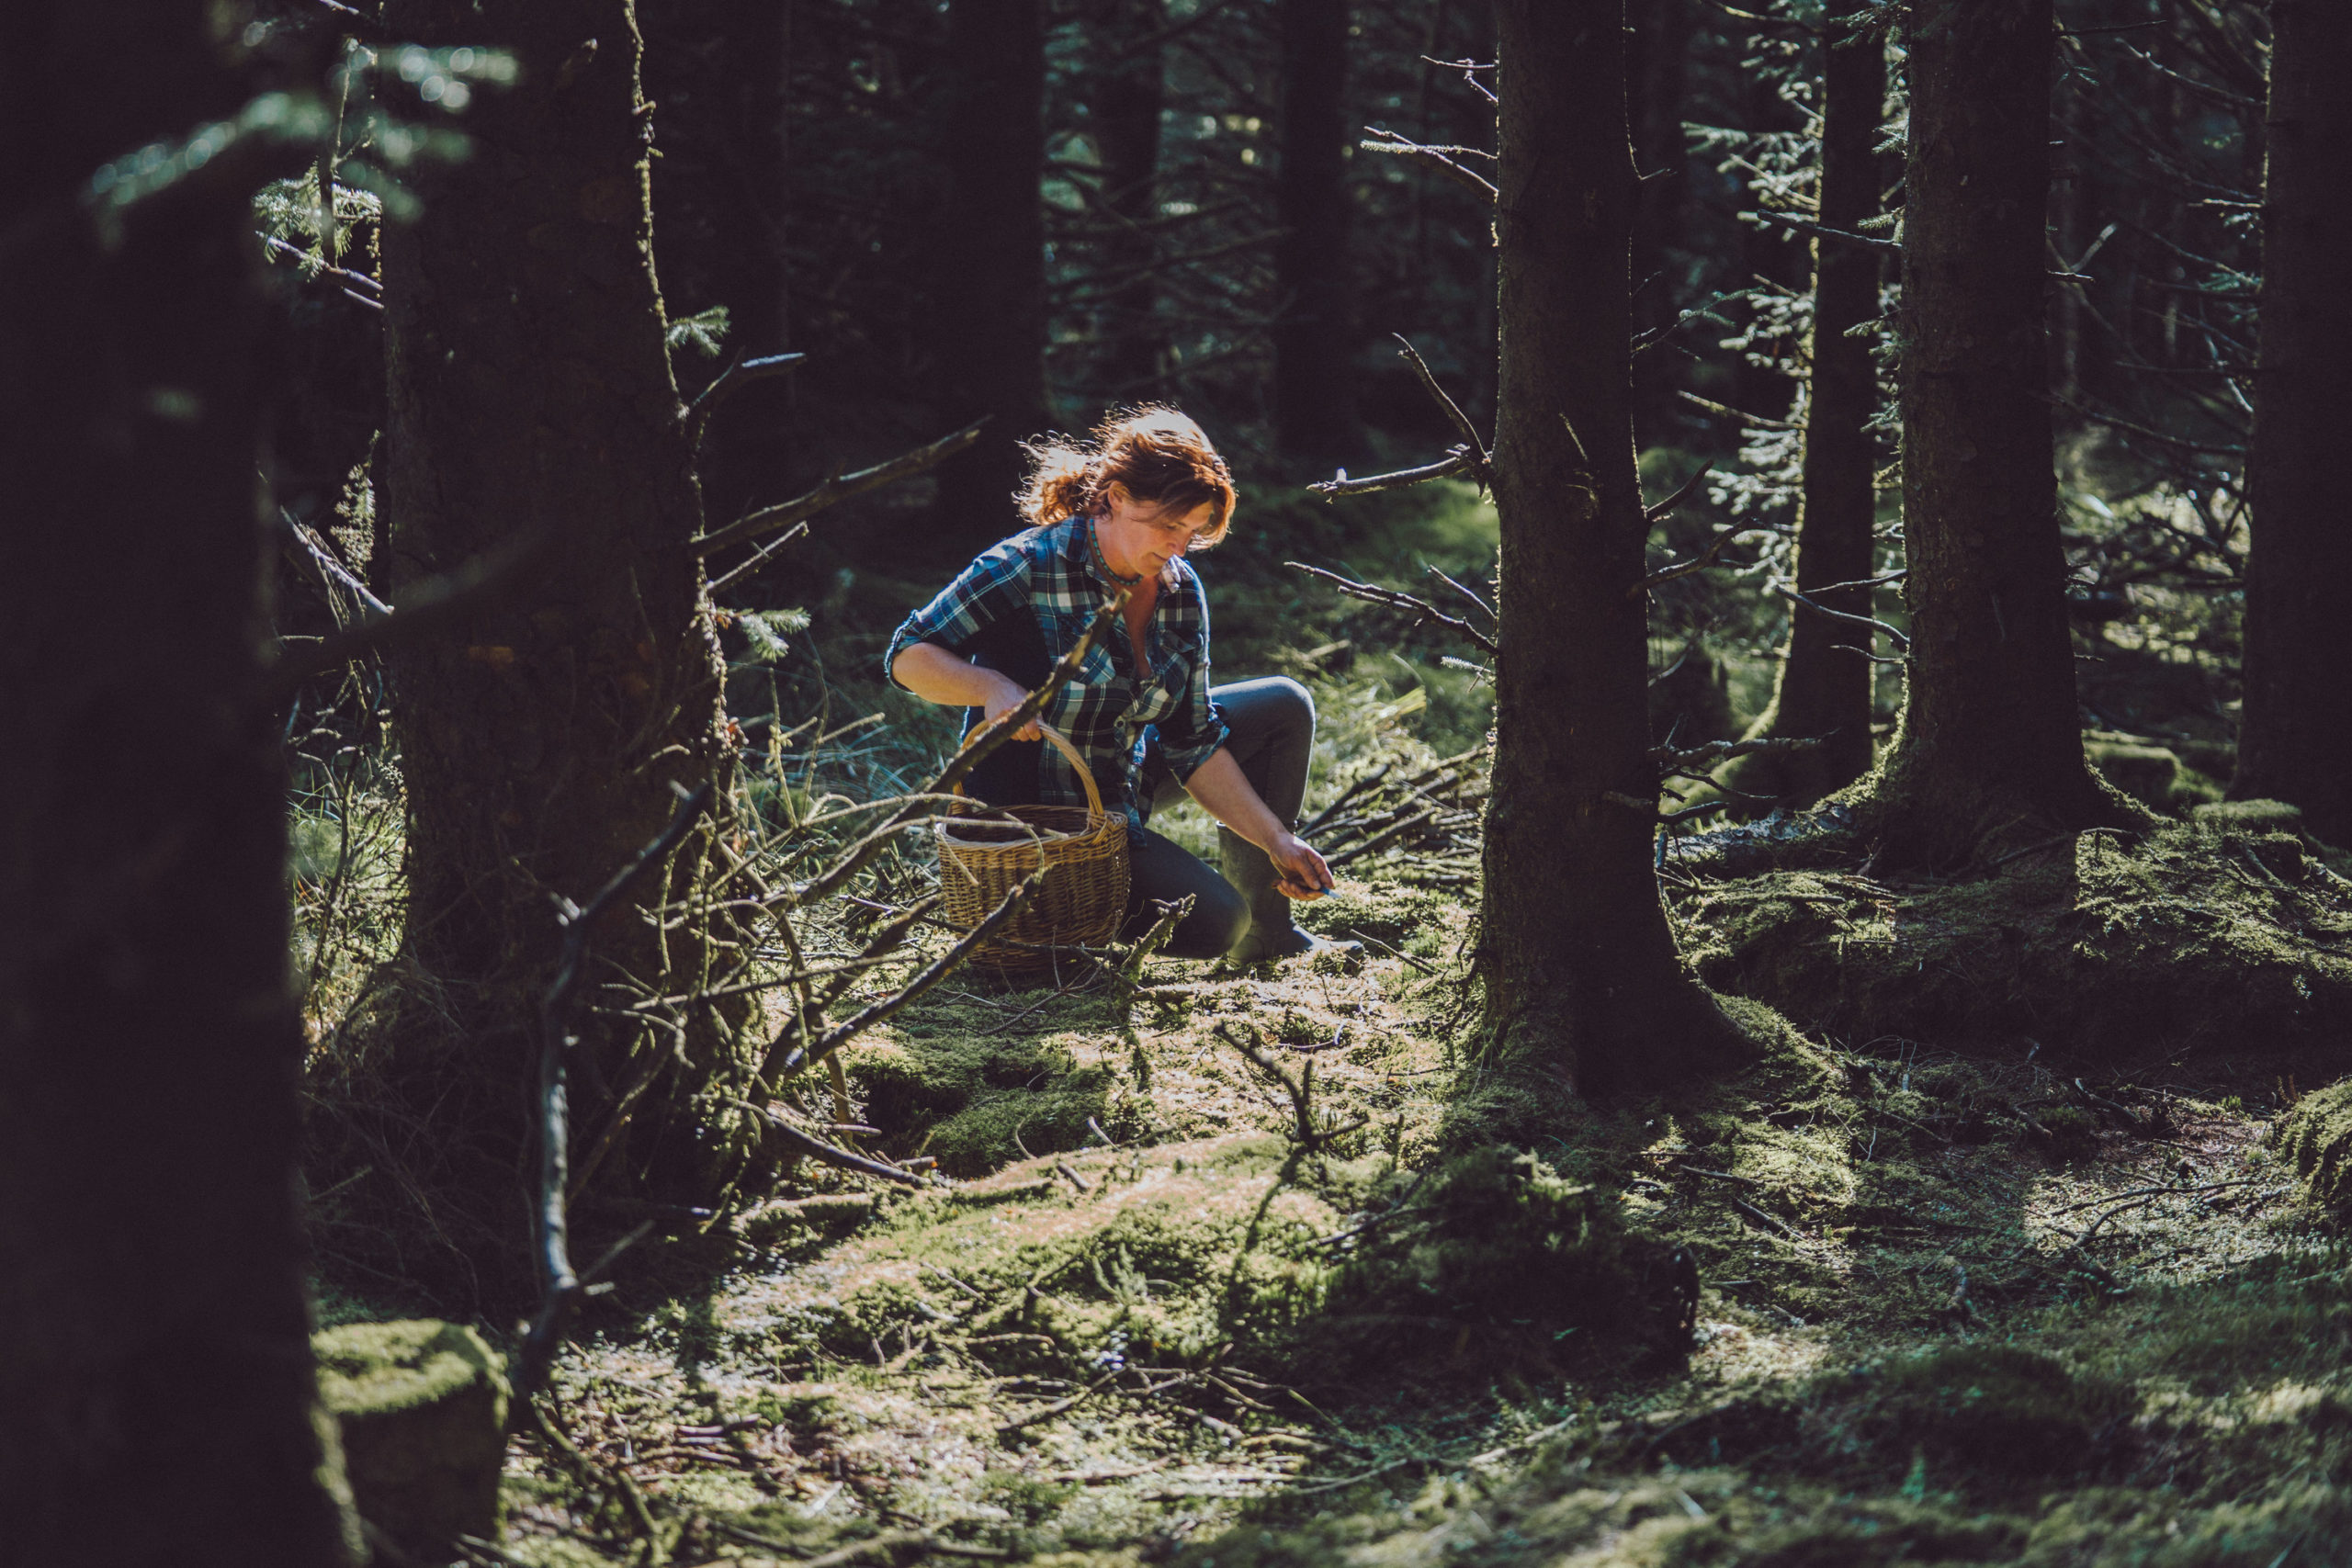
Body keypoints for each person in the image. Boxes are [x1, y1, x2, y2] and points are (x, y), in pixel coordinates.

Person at [886, 407, 1345, 964]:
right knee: (1216, 924)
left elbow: (1192, 740)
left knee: (1281, 705)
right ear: (1119, 497)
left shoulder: (1179, 590)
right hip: (1039, 826)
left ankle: (1271, 934)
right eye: (1169, 525)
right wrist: (990, 686)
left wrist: (1277, 840)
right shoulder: (1028, 565)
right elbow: (907, 656)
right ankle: (1064, 922)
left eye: (1193, 531)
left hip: (1120, 789)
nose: (1179, 546)